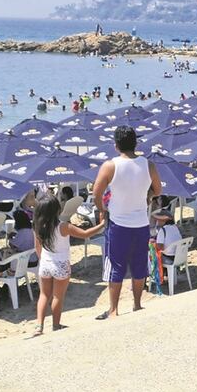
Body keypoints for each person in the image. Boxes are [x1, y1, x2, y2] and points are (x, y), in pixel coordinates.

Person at [92, 125, 162, 318]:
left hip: (118, 223)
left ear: (116, 145)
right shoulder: (148, 165)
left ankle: (114, 310)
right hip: (140, 222)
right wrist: (147, 196)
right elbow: (158, 189)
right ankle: (137, 304)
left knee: (116, 265)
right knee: (139, 264)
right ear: (136, 143)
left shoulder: (110, 165)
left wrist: (102, 209)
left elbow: (96, 193)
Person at [32, 195, 105, 336]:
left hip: (45, 264)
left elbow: (37, 247)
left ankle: (39, 326)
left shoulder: (37, 227)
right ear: (57, 210)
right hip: (61, 264)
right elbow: (85, 234)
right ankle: (56, 325)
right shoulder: (63, 226)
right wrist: (101, 225)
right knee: (58, 297)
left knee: (44, 295)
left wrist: (44, 260)